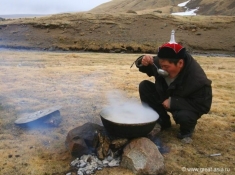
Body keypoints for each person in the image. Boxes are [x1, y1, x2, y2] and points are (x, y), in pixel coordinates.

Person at [133, 30, 212, 139]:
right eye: (161, 65)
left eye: (166, 67)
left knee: (184, 116)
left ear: (180, 63)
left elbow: (203, 106)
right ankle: (162, 121)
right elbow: (146, 66)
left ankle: (186, 131)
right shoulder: (162, 63)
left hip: (183, 104)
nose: (162, 69)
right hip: (165, 95)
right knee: (145, 86)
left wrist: (174, 102)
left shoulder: (197, 80)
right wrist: (142, 60)